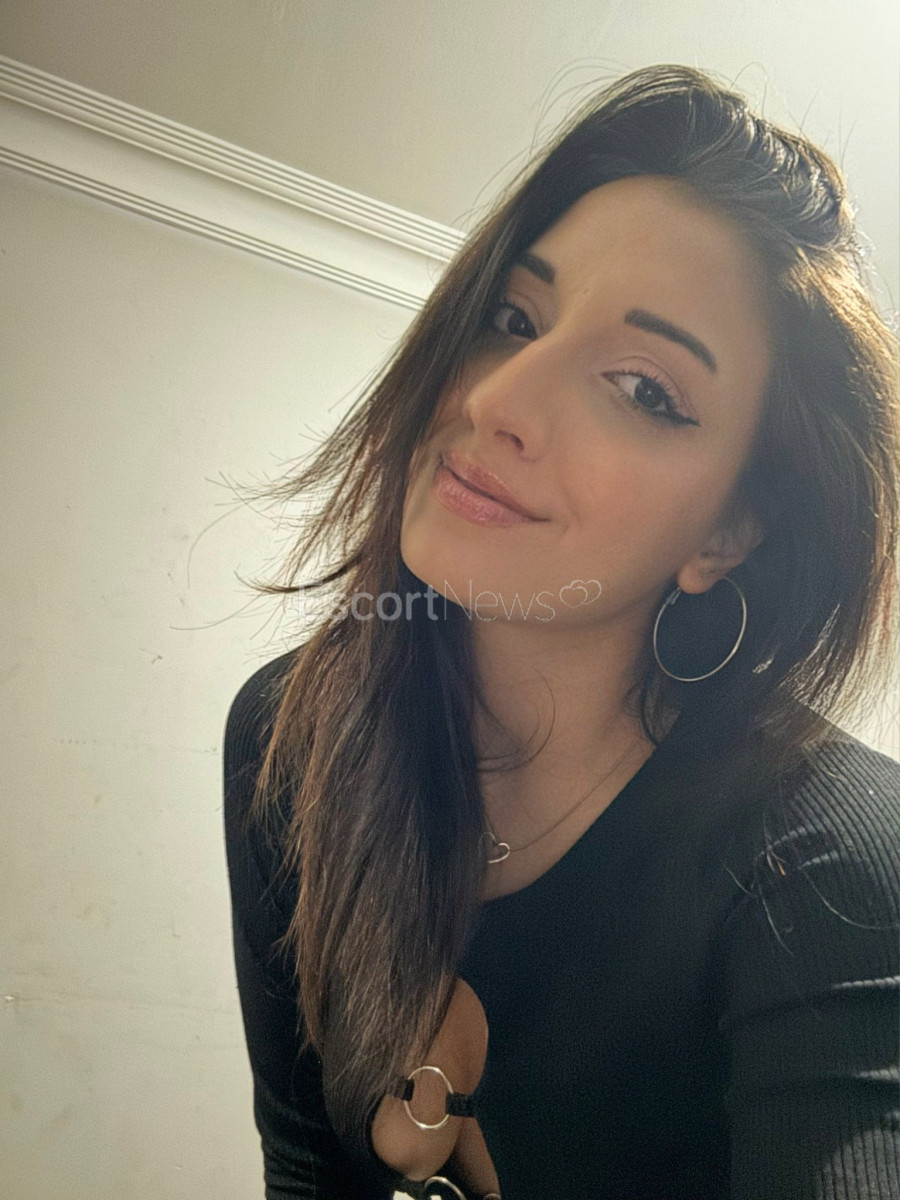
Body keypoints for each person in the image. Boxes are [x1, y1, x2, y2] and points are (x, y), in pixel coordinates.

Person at [222, 64, 900, 1199]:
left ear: (728, 532)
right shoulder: (291, 737)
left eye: (643, 388)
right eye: (513, 318)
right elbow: (303, 1167)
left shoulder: (827, 861)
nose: (497, 401)